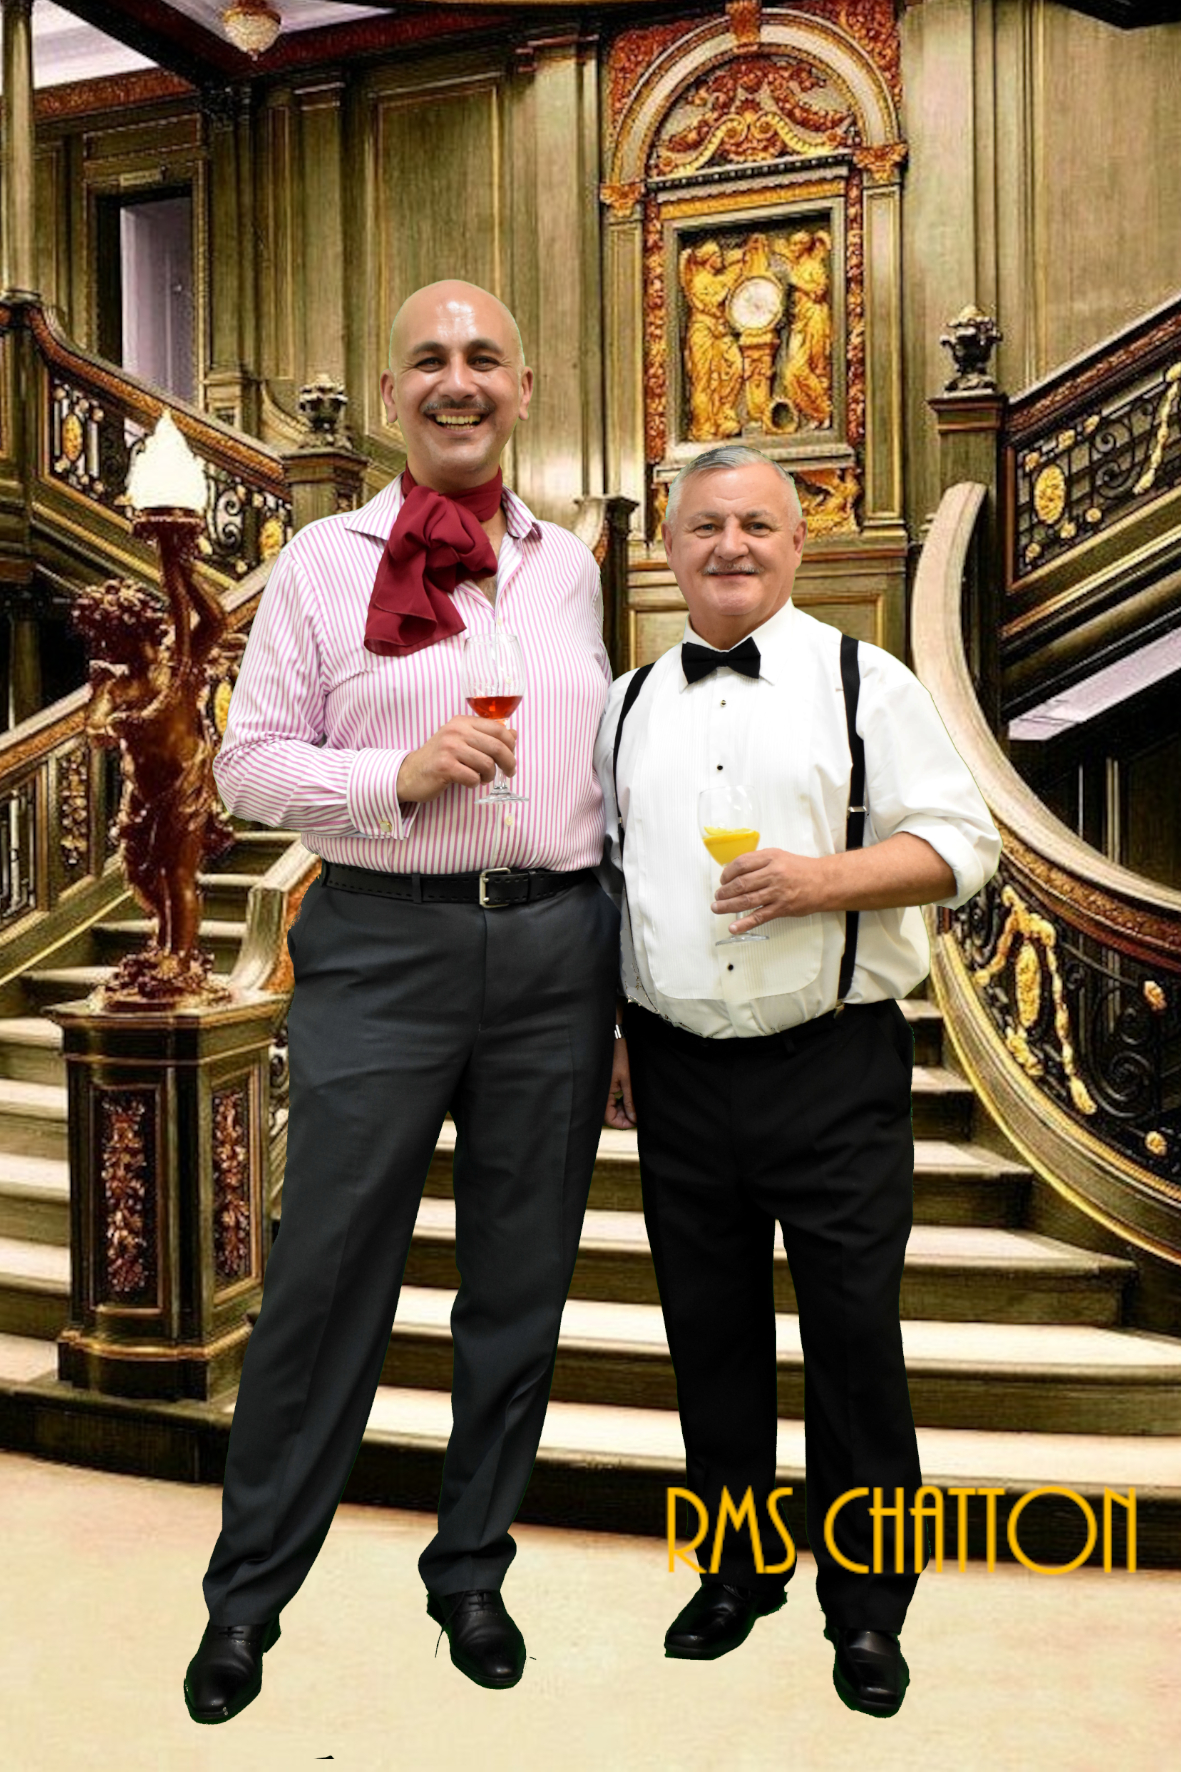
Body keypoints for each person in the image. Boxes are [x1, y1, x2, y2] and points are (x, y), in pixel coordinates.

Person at [184, 280, 619, 1723]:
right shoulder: (320, 563)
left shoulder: (573, 569)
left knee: (519, 1282)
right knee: (322, 1280)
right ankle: (248, 1594)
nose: (457, 379)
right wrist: (394, 775)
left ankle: (471, 1569)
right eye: (428, 358)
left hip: (555, 949)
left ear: (523, 386)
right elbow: (247, 767)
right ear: (390, 397)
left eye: (483, 356)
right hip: (381, 946)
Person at [597, 442, 1000, 1718]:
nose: (730, 545)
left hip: (832, 1064)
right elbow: (611, 880)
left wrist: (824, 877)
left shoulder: (865, 679)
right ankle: (735, 1569)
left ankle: (868, 1609)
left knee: (852, 1346)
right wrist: (617, 1025)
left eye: (756, 525)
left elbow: (963, 844)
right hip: (673, 1070)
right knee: (706, 1337)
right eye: (705, 525)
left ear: (796, 543)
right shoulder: (622, 703)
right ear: (668, 547)